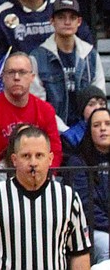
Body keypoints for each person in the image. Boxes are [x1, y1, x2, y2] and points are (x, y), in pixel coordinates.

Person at [0, 125, 92, 270]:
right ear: (14, 159)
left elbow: (80, 253)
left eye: (39, 155)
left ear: (50, 159)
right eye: (26, 156)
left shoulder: (68, 198)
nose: (33, 163)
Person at [0, 51, 63, 169]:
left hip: (41, 174)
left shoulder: (46, 110)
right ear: (3, 77)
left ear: (32, 77)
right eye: (11, 72)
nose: (16, 77)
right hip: (3, 178)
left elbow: (55, 152)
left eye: (22, 72)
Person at [30, 0, 106, 130]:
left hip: (88, 131)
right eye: (61, 17)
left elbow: (99, 100)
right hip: (50, 131)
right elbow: (38, 105)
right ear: (51, 21)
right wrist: (65, 131)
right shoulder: (37, 57)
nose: (67, 22)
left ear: (79, 22)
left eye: (72, 18)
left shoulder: (91, 55)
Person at [66, 106, 110, 264]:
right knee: (107, 245)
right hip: (94, 229)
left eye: (107, 124)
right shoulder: (78, 162)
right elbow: (86, 205)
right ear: (89, 130)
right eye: (97, 125)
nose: (103, 129)